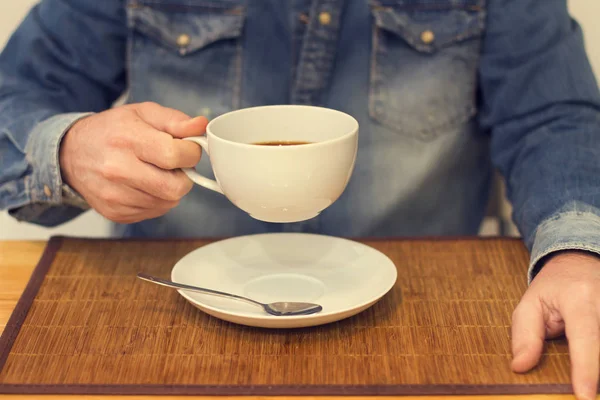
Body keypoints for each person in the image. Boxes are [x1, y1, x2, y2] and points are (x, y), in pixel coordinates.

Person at [1, 0, 599, 397]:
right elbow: (16, 95)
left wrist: (575, 252)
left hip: (419, 321)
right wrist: (71, 147)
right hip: (168, 328)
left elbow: (553, 114)